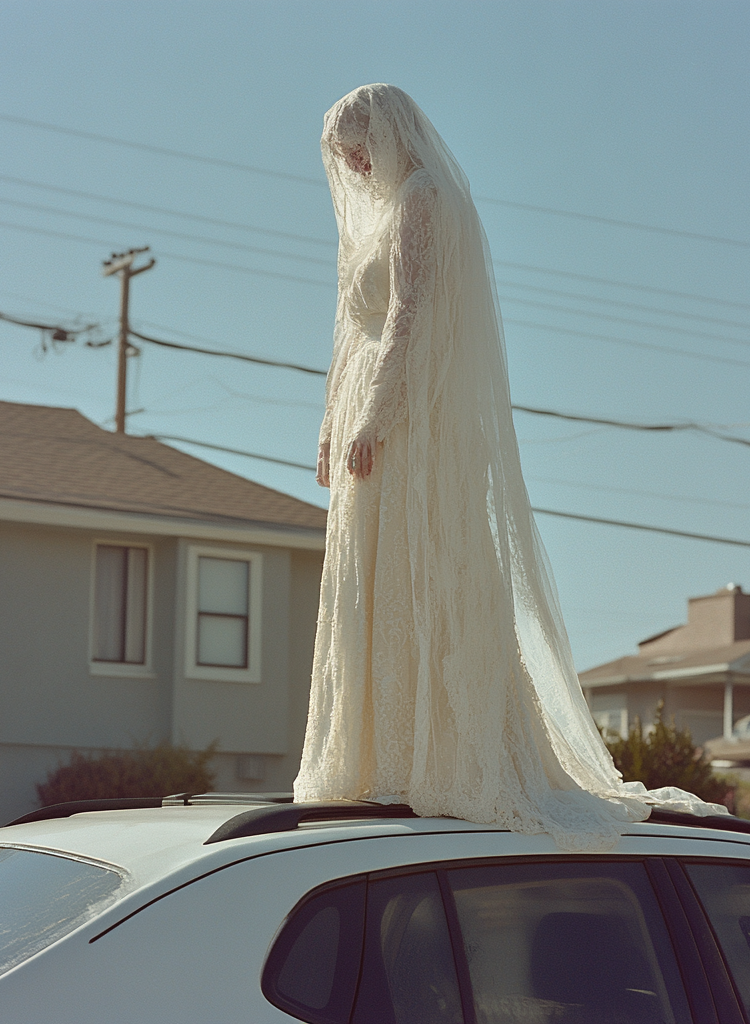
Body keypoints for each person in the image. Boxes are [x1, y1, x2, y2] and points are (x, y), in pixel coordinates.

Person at [293, 84, 726, 850]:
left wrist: (375, 414)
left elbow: (409, 313)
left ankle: (430, 754)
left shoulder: (425, 198)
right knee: (374, 576)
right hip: (370, 410)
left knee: (418, 570)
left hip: (408, 422)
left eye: (361, 143)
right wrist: (330, 419)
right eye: (344, 152)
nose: (354, 162)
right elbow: (346, 327)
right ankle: (373, 756)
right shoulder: (375, 214)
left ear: (391, 133)